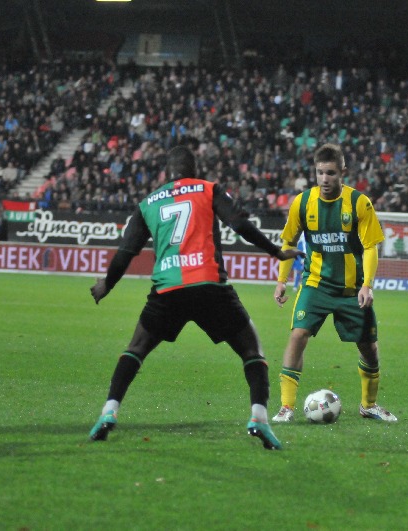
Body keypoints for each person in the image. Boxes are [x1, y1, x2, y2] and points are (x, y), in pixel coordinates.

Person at [88, 145, 303, 450]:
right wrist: (276, 251)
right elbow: (239, 224)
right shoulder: (208, 189)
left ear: (167, 173)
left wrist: (107, 285)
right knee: (252, 350)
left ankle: (108, 412)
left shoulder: (148, 202)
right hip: (209, 285)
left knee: (135, 348)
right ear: (195, 169)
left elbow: (127, 251)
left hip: (168, 289)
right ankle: (259, 418)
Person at [271, 143, 397, 423]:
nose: (325, 179)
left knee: (369, 347)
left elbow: (370, 247)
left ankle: (369, 405)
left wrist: (367, 285)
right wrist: (282, 280)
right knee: (297, 335)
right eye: (320, 173)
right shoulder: (303, 203)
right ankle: (286, 407)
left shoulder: (358, 203)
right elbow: (288, 242)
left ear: (342, 172)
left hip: (352, 291)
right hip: (315, 285)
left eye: (330, 173)